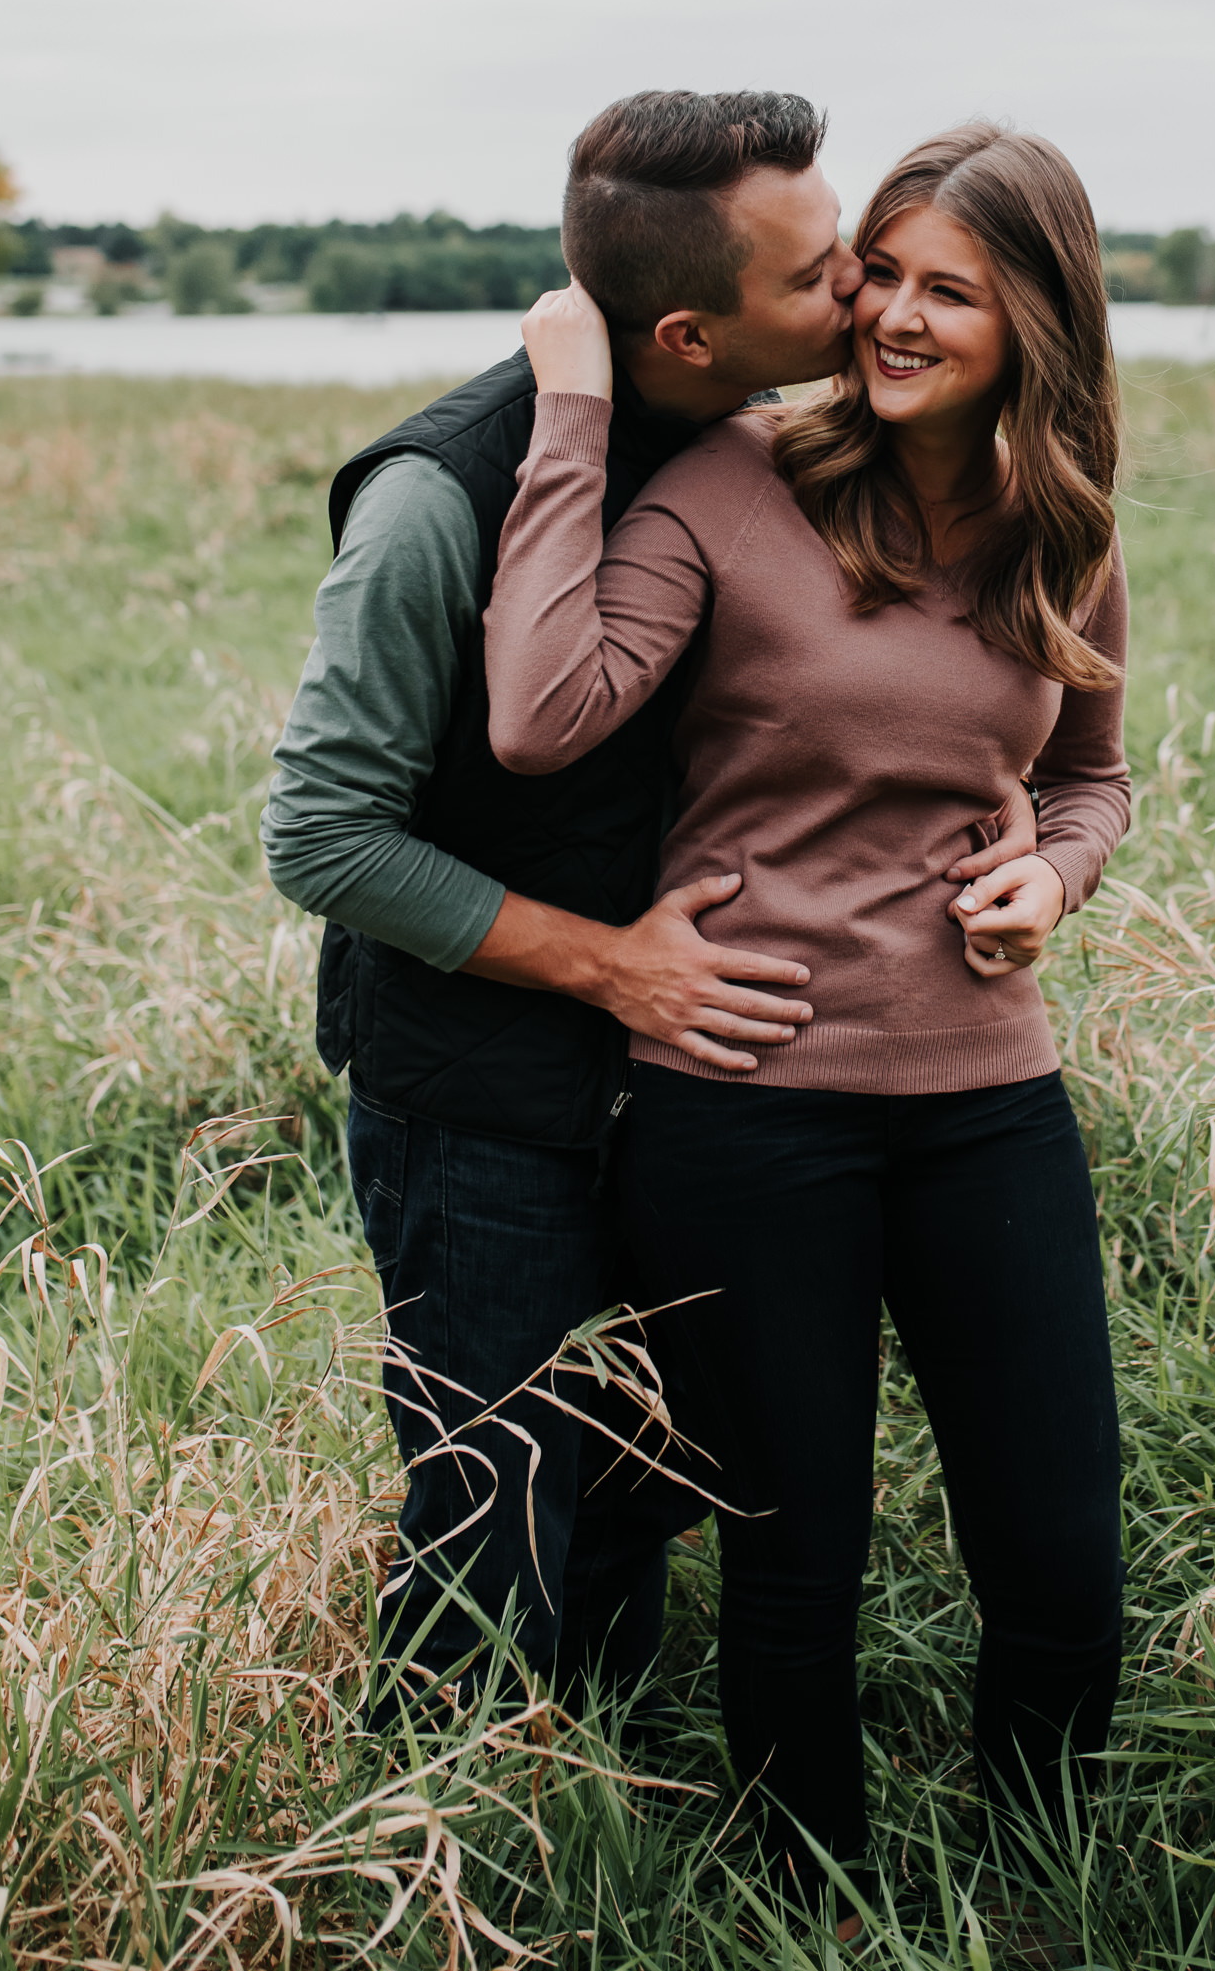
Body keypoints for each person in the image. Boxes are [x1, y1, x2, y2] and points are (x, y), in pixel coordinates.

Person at [262, 91, 1039, 1721]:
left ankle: (609, 1766)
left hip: (703, 1091)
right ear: (691, 329)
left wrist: (998, 795)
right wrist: (612, 969)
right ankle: (436, 1852)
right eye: (825, 270)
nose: (862, 294)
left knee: (677, 1455)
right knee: (499, 1500)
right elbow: (323, 837)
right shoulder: (437, 503)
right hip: (483, 1097)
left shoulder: (763, 449)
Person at [482, 122, 1131, 1892]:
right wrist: (577, 418)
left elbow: (1092, 777)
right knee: (795, 1554)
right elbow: (544, 715)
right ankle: (809, 1905)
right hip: (747, 1098)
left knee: (1063, 1552)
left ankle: (1054, 1885)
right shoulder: (733, 486)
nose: (892, 315)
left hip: (991, 1097)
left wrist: (1051, 876)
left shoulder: (1060, 530)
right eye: (884, 272)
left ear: (1039, 326)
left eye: (950, 293)